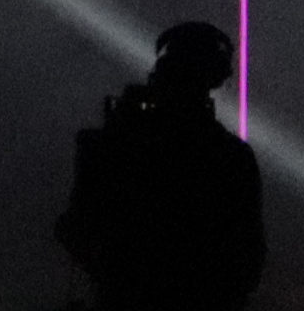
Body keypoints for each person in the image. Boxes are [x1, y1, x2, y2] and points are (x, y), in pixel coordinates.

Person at [54, 21, 266, 311]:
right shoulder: (232, 155)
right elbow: (249, 259)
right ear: (215, 78)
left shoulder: (118, 142)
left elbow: (77, 229)